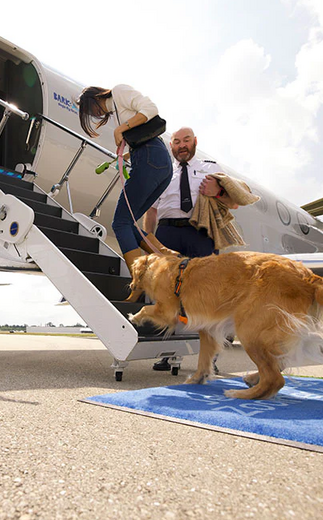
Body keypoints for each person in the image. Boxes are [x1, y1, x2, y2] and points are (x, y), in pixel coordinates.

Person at [143, 127, 238, 372]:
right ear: (171, 145)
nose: (181, 145)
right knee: (166, 294)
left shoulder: (211, 167)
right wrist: (150, 243)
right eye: (176, 142)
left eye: (186, 140)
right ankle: (166, 353)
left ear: (195, 142)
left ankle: (209, 358)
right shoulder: (162, 172)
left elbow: (234, 202)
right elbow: (151, 210)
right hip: (167, 233)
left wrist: (216, 192)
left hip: (200, 234)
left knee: (207, 296)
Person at [76, 85, 175, 281]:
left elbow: (150, 109)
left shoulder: (119, 92)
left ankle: (139, 280)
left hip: (150, 158)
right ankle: (170, 258)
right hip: (158, 161)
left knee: (120, 223)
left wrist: (122, 129)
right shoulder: (116, 112)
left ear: (95, 97)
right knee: (129, 224)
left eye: (90, 108)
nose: (94, 114)